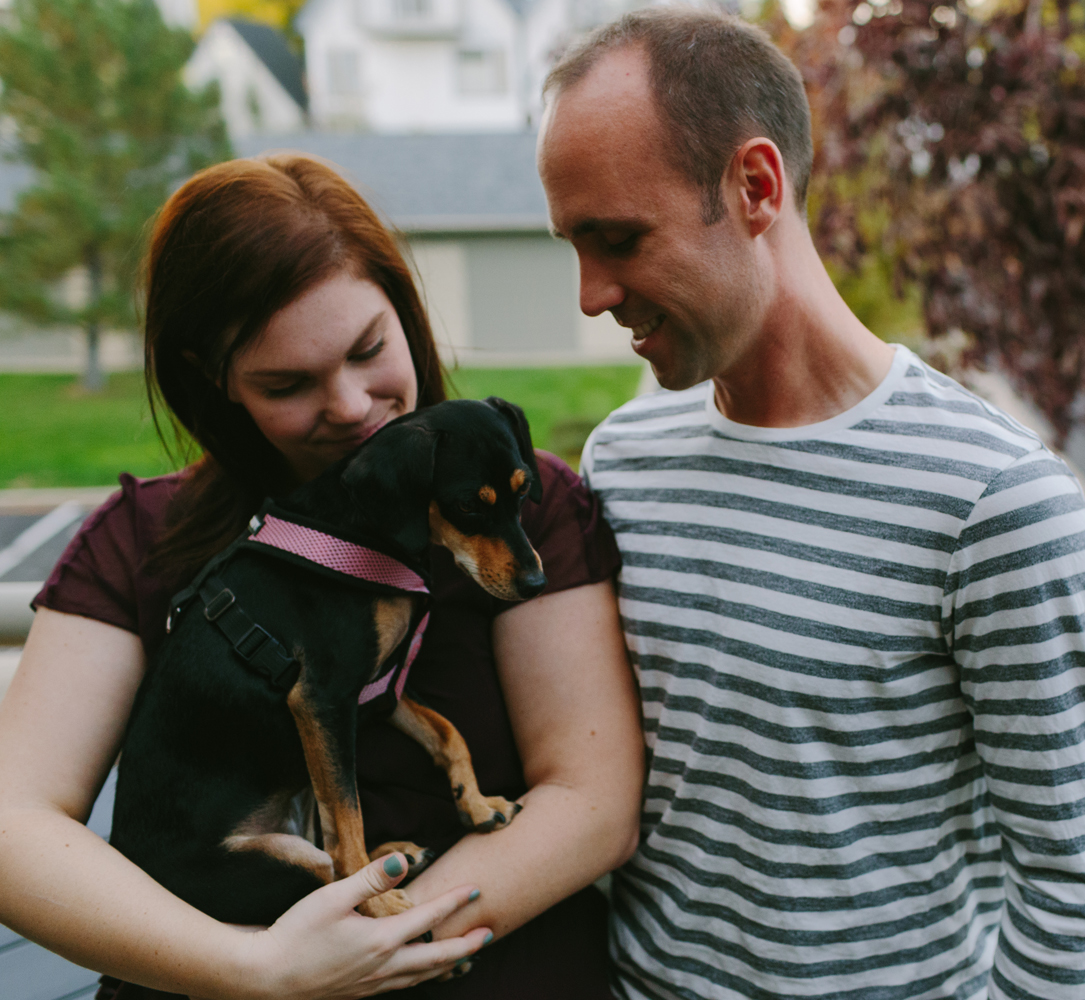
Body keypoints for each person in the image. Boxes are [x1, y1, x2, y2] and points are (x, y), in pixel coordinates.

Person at [538, 9, 1085, 999]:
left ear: (756, 187)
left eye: (619, 239)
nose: (593, 294)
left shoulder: (995, 499)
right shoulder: (621, 459)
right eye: (574, 246)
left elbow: (1072, 875)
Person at [0, 155, 644, 1000]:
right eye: (287, 383)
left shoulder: (518, 509)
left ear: (404, 312)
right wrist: (258, 969)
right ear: (215, 381)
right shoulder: (141, 539)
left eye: (369, 349)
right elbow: (14, 826)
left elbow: (592, 804)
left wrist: (376, 948)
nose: (348, 405)